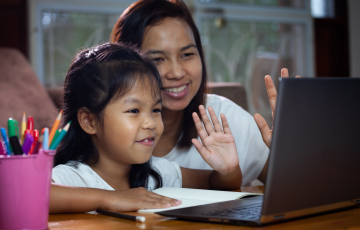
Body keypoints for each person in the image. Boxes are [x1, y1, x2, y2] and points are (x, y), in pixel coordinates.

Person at [50, 43, 241, 213]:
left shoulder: (156, 172)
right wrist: (110, 198)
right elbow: (30, 197)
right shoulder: (73, 177)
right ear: (89, 121)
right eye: (134, 110)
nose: (151, 123)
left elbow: (215, 183)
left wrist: (228, 170)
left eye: (156, 110)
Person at [110, 0, 276, 186]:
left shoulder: (226, 119)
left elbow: (296, 187)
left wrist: (294, 149)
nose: (177, 73)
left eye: (187, 55)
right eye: (157, 59)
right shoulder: (105, 130)